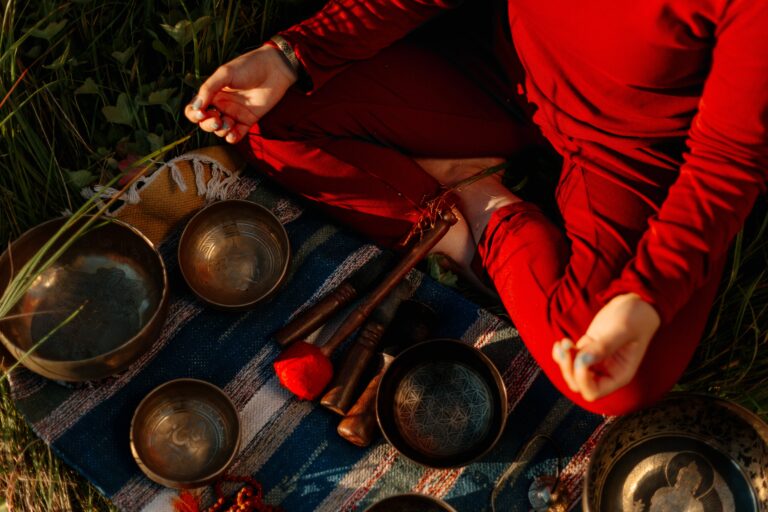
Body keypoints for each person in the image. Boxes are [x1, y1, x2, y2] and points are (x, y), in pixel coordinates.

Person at [183, 0, 767, 415]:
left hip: (631, 151)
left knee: (615, 382)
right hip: (497, 71)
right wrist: (291, 55)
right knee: (265, 119)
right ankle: (457, 211)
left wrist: (644, 299)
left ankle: (480, 204)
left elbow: (726, 163)